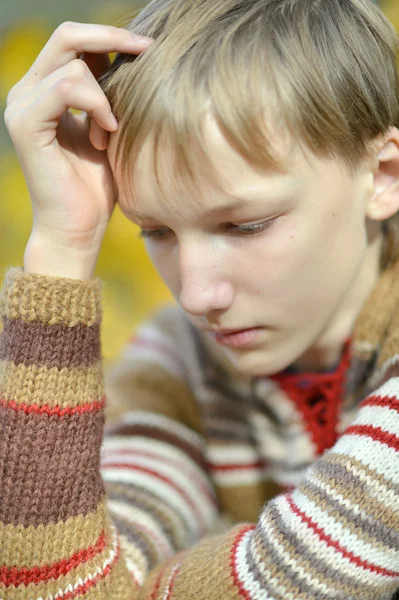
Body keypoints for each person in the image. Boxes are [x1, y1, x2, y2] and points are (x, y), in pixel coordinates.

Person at [1, 0, 399, 598]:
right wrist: (63, 246)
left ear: (384, 175)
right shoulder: (180, 363)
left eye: (246, 225)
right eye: (155, 231)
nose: (195, 294)